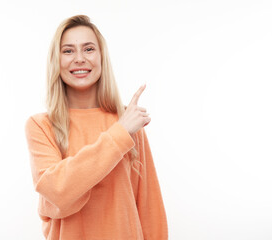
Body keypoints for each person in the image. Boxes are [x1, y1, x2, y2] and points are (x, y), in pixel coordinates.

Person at [24, 15, 168, 240]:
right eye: (68, 51)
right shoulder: (41, 126)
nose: (79, 59)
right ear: (56, 60)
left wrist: (123, 129)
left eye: (89, 49)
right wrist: (119, 135)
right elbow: (58, 191)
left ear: (101, 57)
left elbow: (150, 207)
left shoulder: (127, 121)